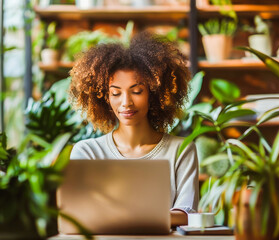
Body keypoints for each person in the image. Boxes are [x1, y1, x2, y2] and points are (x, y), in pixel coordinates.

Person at [67, 32, 199, 227]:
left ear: (154, 93)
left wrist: (119, 216)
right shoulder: (87, 152)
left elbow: (187, 213)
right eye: (116, 93)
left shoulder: (181, 150)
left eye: (137, 91)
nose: (126, 102)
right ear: (104, 97)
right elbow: (78, 215)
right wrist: (150, 217)